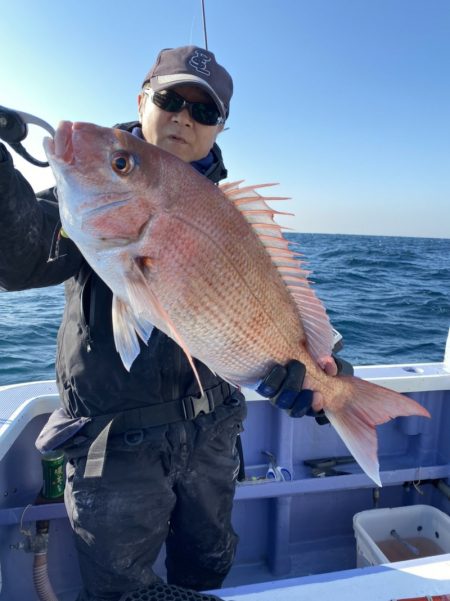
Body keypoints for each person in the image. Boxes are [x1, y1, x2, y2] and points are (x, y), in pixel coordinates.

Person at [0, 46, 349, 601]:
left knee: (208, 567)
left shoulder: (234, 217)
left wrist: (320, 367)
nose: (184, 116)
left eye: (204, 111)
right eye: (169, 98)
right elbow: (18, 257)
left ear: (218, 128)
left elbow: (277, 300)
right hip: (115, 448)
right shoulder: (85, 197)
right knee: (118, 588)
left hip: (212, 437)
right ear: (143, 101)